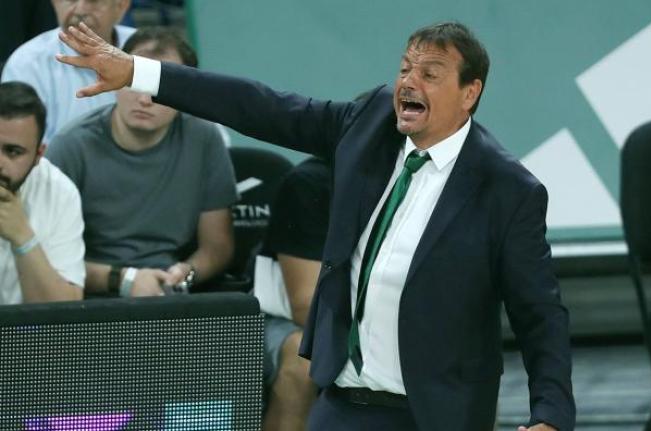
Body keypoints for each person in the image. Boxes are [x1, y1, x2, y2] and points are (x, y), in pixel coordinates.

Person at [57, 21, 576, 431]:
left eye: (430, 74)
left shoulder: (506, 190)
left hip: (438, 411)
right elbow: (261, 106)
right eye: (405, 68)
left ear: (469, 93)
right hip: (345, 400)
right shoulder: (370, 122)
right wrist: (140, 73)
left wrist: (550, 414)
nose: (408, 83)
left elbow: (540, 313)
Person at [47, 27, 237, 297]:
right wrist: (123, 280)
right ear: (112, 81)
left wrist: (186, 273)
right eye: (135, 82)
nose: (145, 99)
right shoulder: (71, 146)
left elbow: (217, 246)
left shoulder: (205, 138)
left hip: (173, 290)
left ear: (186, 96)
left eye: (160, 88)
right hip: (88, 296)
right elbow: (45, 258)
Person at [255, 157, 331, 431]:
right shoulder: (311, 182)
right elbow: (304, 307)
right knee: (304, 358)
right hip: (283, 317)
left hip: (382, 317)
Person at [1, 0, 133, 144]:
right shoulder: (27, 63)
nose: (80, 10)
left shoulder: (144, 51)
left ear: (121, 5)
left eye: (93, 1)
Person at [0, 81, 85, 304]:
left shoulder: (60, 193)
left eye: (12, 152)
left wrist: (22, 237)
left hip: (25, 328)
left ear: (39, 154)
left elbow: (64, 312)